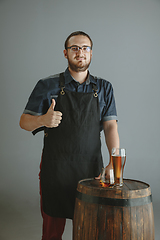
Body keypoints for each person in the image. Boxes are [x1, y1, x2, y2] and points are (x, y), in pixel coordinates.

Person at [19, 31, 119, 240]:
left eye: (85, 48)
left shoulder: (104, 88)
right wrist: (42, 120)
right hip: (55, 168)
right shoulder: (47, 85)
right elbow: (24, 122)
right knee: (52, 229)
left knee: (89, 227)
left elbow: (110, 127)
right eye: (74, 48)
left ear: (91, 54)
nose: (80, 52)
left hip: (91, 169)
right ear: (65, 53)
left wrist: (113, 161)